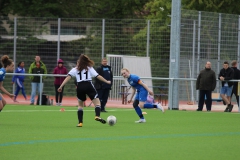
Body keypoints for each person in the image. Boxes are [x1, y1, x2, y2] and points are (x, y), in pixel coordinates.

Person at [58, 54, 111, 127]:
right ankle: (97, 116)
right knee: (97, 103)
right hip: (88, 84)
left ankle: (80, 123)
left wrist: (61, 86)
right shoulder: (89, 68)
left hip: (80, 86)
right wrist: (106, 81)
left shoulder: (75, 69)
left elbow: (68, 77)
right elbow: (98, 76)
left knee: (80, 105)